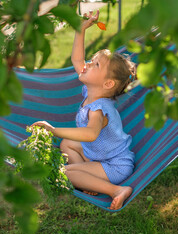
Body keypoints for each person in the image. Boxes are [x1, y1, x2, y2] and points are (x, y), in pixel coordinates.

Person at [32, 10, 135, 210]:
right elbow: (77, 60)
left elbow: (89, 133)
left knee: (66, 172)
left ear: (107, 84)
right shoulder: (91, 89)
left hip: (114, 165)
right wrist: (81, 30)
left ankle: (116, 190)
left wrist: (53, 130)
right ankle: (87, 180)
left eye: (95, 64)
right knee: (67, 144)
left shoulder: (98, 109)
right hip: (98, 156)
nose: (87, 64)